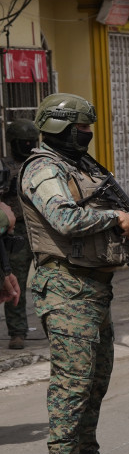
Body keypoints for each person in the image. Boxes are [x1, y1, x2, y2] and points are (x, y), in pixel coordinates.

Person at [19, 93, 129, 454]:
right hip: (64, 289)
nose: (86, 135)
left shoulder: (82, 167)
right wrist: (118, 218)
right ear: (59, 127)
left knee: (96, 381)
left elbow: (100, 221)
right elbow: (64, 218)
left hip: (94, 289)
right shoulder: (44, 168)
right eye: (80, 129)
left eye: (88, 129)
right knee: (72, 384)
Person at [1, 119, 39, 349]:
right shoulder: (5, 167)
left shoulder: (39, 164)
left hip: (41, 228)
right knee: (16, 282)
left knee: (54, 280)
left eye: (31, 142)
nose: (28, 145)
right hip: (17, 231)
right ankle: (17, 332)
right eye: (23, 142)